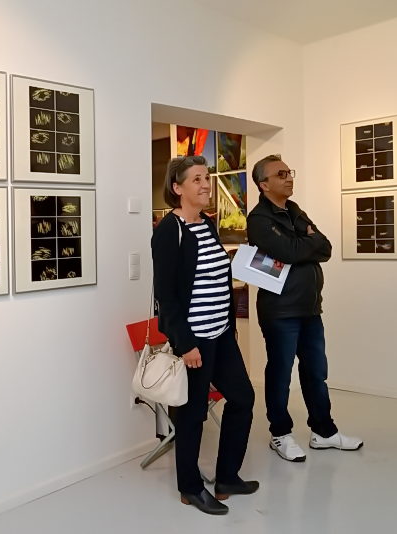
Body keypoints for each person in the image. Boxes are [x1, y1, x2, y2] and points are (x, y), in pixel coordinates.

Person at [151, 155, 258, 515]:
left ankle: (226, 478)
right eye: (196, 179)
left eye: (207, 178)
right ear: (177, 187)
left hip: (221, 333)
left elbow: (216, 277)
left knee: (242, 398)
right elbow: (166, 295)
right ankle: (190, 488)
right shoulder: (170, 231)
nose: (205, 185)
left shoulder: (208, 224)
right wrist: (185, 344)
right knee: (192, 414)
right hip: (195, 340)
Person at [246, 154, 363, 463]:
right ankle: (280, 434)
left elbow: (325, 247)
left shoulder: (295, 210)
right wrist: (304, 242)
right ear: (264, 184)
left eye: (289, 172)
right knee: (280, 374)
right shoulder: (259, 219)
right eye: (280, 174)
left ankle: (324, 432)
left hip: (310, 308)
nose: (288, 178)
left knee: (316, 373)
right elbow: (291, 251)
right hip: (280, 311)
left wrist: (303, 245)